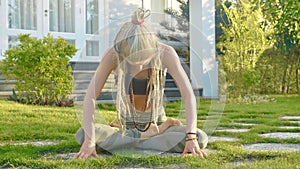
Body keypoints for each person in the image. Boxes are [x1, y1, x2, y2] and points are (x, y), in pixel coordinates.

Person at [74, 8, 208, 159]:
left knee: (200, 137)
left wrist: (191, 138)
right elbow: (90, 96)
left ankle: (140, 137)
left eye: (143, 63)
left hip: (156, 123)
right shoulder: (112, 55)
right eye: (132, 63)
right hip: (126, 126)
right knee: (83, 135)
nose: (137, 68)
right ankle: (145, 137)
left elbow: (188, 95)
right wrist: (90, 141)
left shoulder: (166, 53)